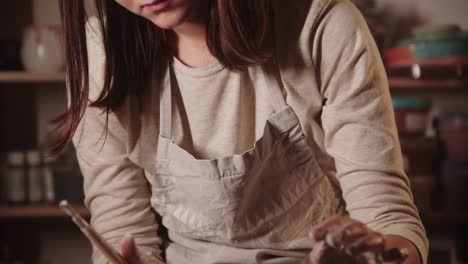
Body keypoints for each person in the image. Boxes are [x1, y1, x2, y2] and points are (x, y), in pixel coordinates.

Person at [56, 0, 428, 263]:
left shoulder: (322, 25)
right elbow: (123, 227)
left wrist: (378, 258)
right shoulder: (103, 55)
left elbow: (388, 218)